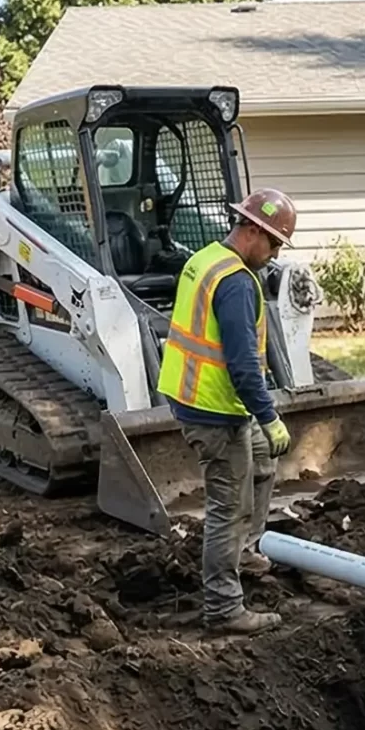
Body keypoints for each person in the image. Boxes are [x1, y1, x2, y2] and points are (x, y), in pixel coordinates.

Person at [158, 187, 297, 634]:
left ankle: (247, 549)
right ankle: (223, 606)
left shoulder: (206, 259)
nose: (274, 254)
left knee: (263, 460)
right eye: (274, 243)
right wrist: (269, 414)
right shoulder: (236, 282)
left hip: (199, 397)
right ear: (253, 230)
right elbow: (241, 365)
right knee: (227, 507)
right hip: (214, 410)